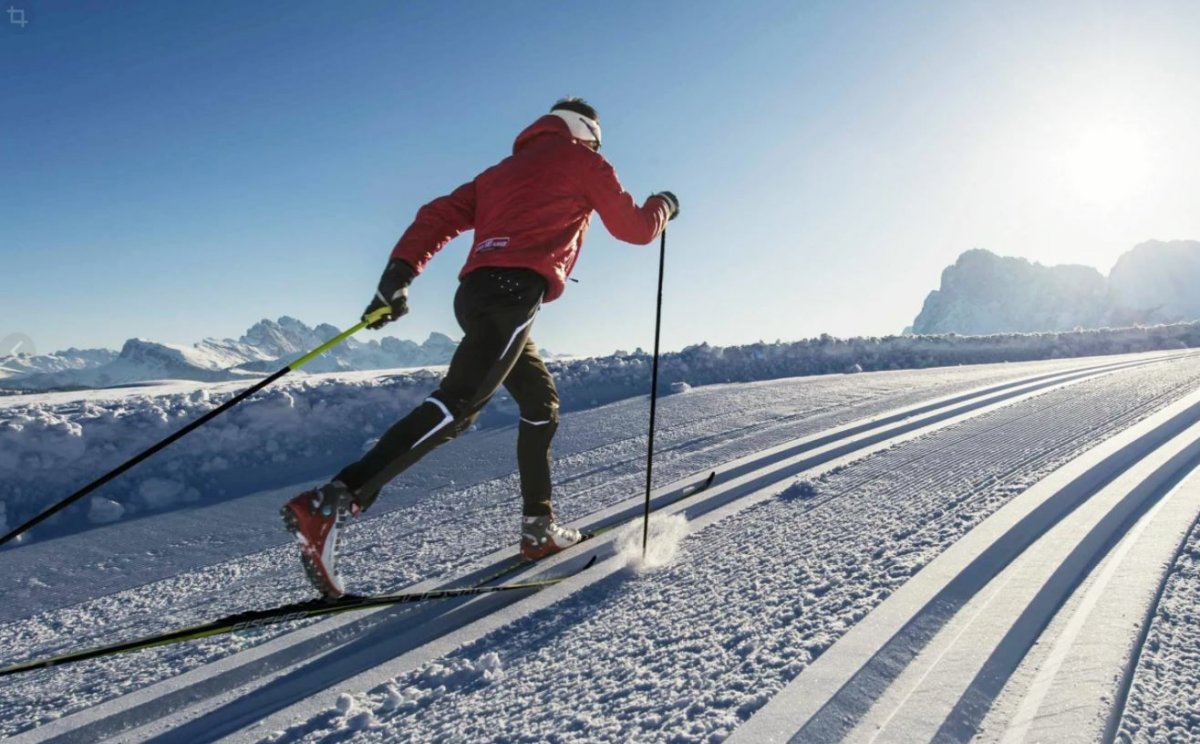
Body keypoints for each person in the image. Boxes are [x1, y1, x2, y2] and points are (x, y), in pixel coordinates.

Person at [281, 97, 679, 598]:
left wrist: (397, 276)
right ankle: (334, 500)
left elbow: (436, 216)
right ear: (587, 133)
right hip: (514, 293)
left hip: (475, 296)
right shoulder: (582, 160)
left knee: (540, 405)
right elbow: (635, 229)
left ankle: (538, 529)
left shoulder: (500, 173)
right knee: (459, 405)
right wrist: (664, 205)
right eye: (598, 140)